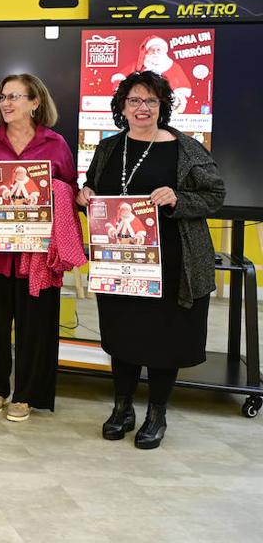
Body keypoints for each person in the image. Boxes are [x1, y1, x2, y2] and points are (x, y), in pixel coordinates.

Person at [77, 70, 224, 449]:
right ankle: (122, 408)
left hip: (174, 264)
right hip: (119, 262)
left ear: (163, 106)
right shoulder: (109, 148)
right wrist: (85, 195)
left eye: (151, 101)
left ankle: (156, 413)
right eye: (135, 101)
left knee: (165, 339)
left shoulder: (185, 148)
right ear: (122, 107)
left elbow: (214, 195)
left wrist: (177, 198)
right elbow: (94, 189)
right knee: (122, 334)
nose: (142, 108)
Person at [0, 73, 83, 423]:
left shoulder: (55, 144)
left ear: (35, 102)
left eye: (15, 96)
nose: (6, 103)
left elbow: (70, 196)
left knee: (37, 327)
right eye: (2, 97)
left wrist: (57, 191)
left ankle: (28, 394)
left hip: (37, 256)